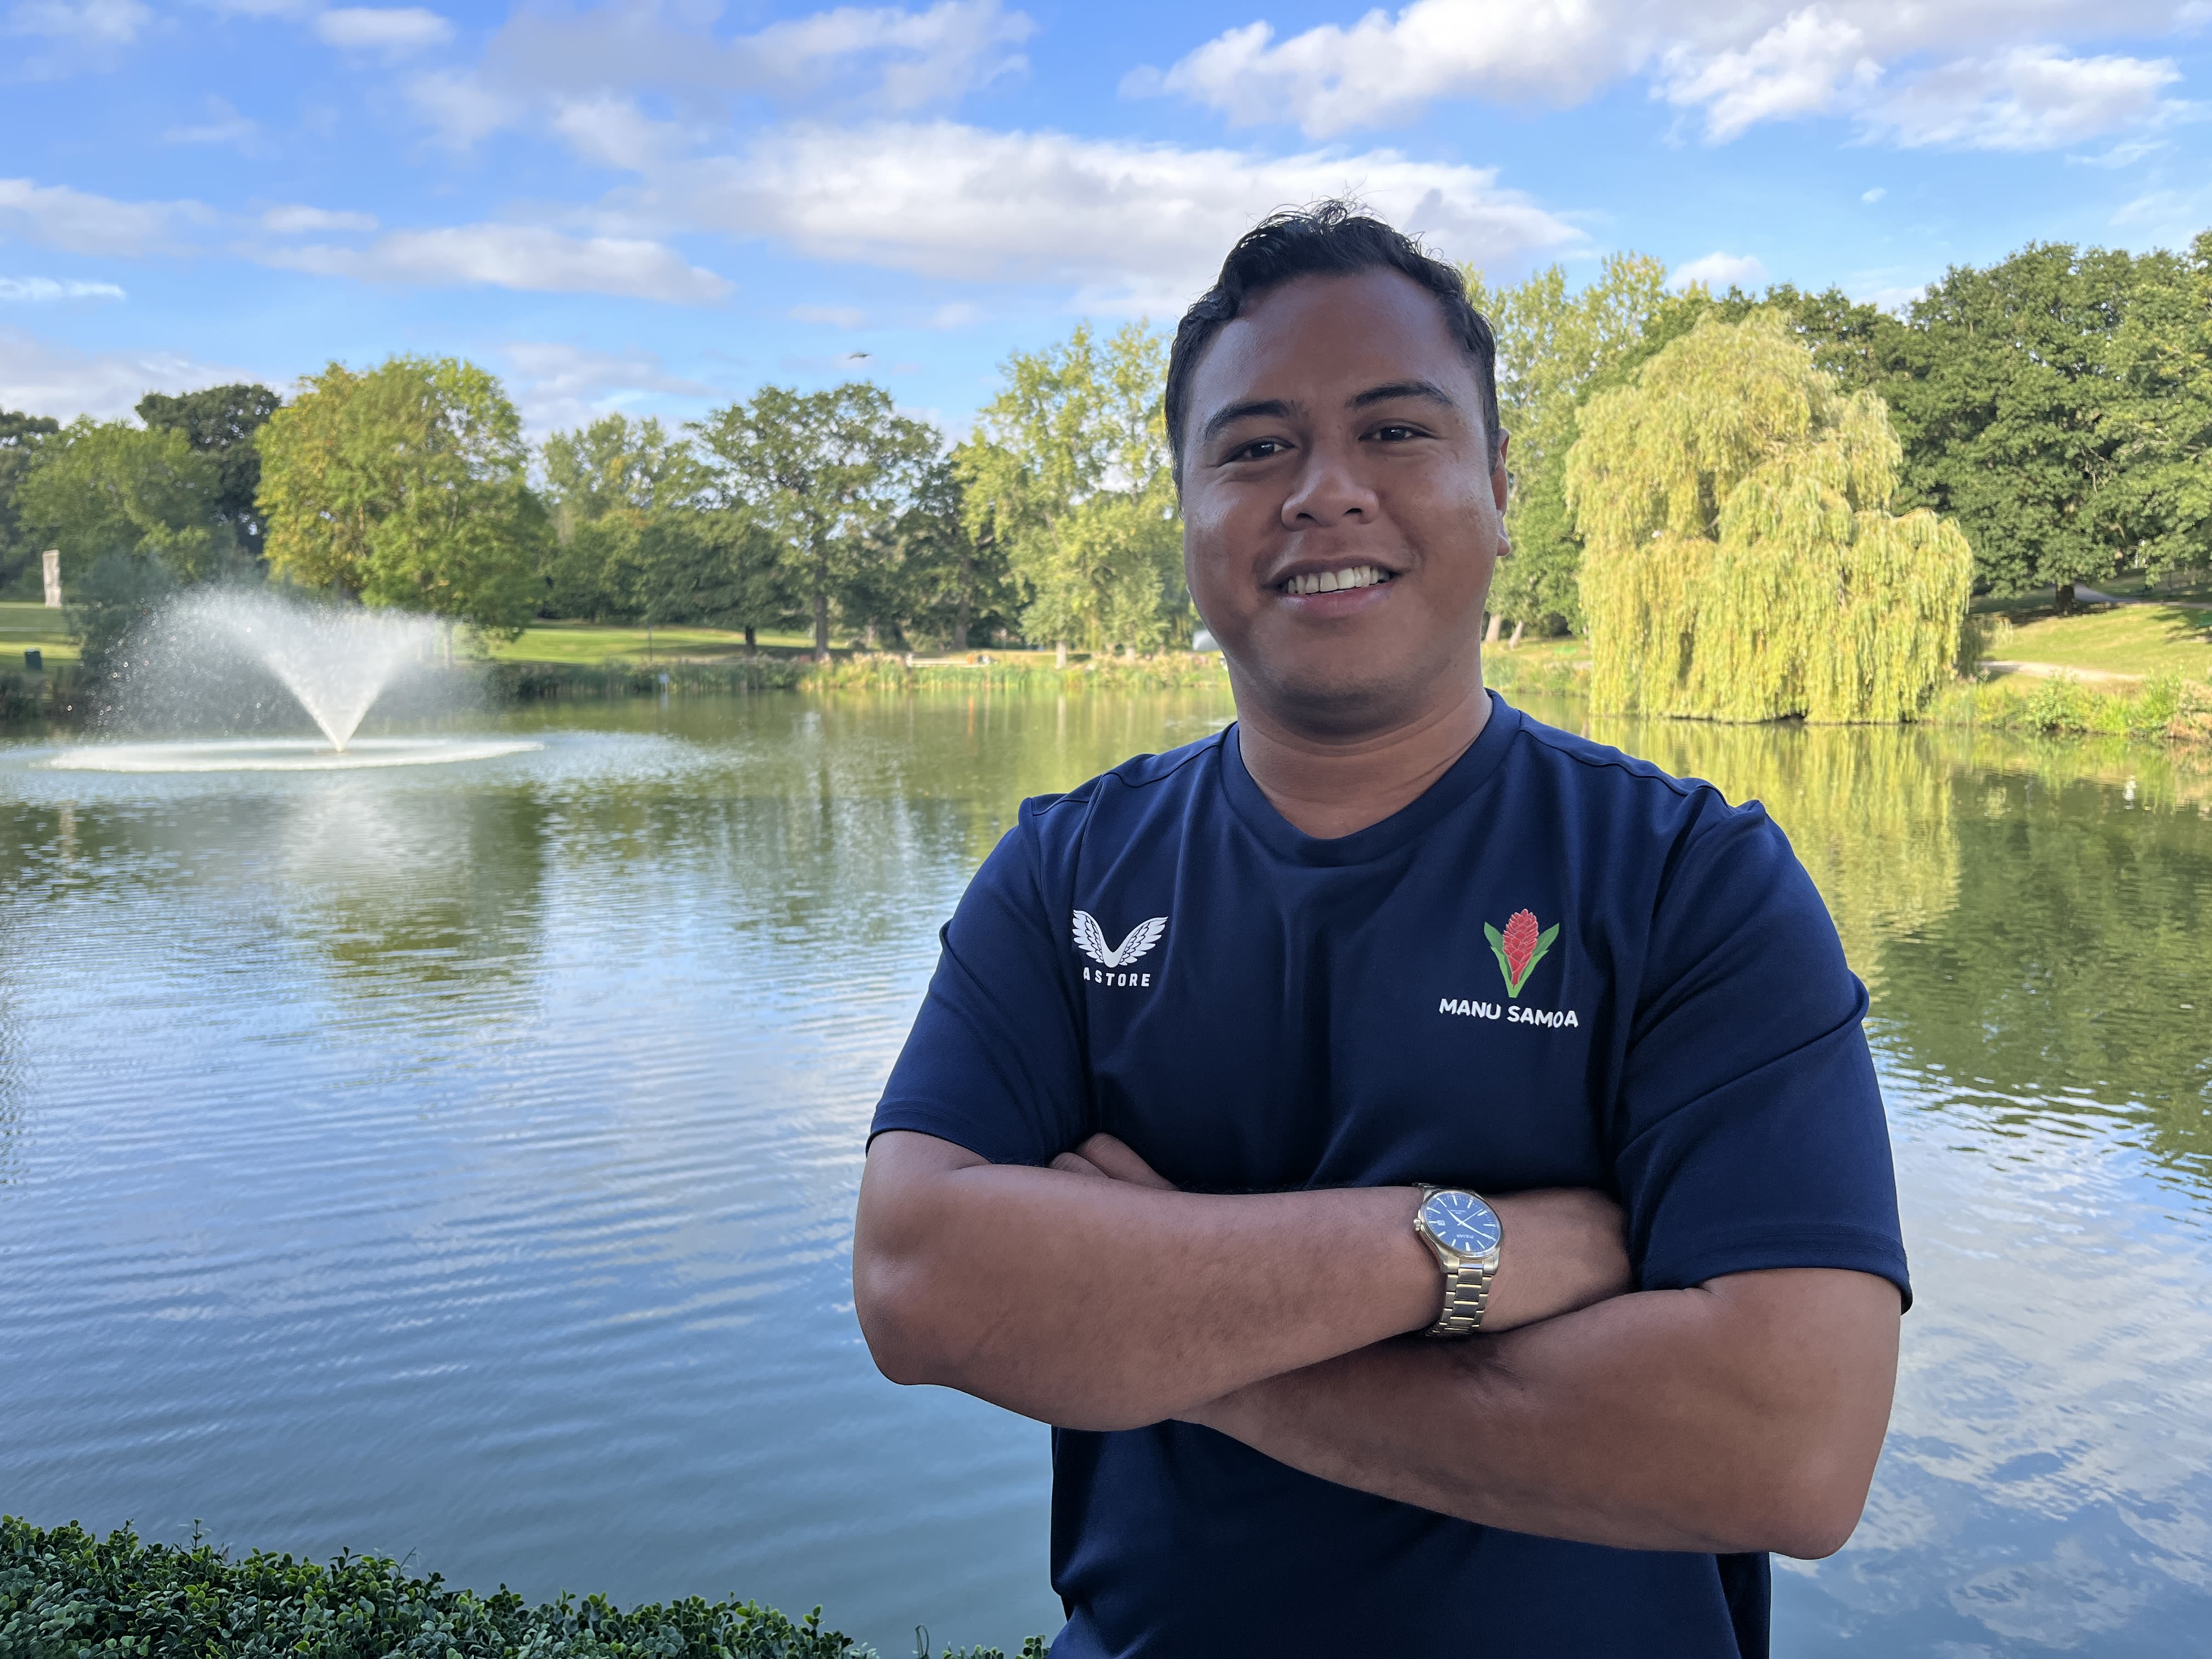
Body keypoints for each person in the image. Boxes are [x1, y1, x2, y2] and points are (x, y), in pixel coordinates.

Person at [853, 202, 1909, 1658]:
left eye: (1399, 431)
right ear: (1188, 515)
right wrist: (1460, 1256)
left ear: (1496, 491)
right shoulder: (1065, 874)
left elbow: (1786, 1445)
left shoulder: (1693, 882)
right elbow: (921, 1285)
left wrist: (1152, 1331)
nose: (1323, 491)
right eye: (1254, 445)